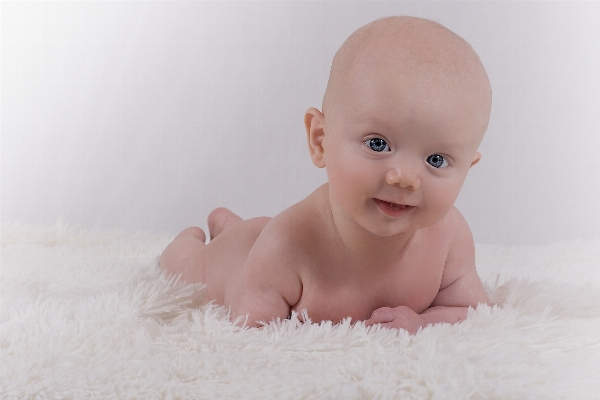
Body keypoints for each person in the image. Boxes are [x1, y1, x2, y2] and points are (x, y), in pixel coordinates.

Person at [160, 16, 491, 334]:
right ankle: (197, 238)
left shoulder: (450, 238)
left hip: (260, 245)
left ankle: (228, 223)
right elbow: (250, 323)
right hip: (242, 259)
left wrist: (421, 324)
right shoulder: (289, 243)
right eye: (378, 144)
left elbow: (473, 310)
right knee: (188, 267)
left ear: (466, 170)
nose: (405, 178)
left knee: (254, 234)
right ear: (320, 139)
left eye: (436, 159)